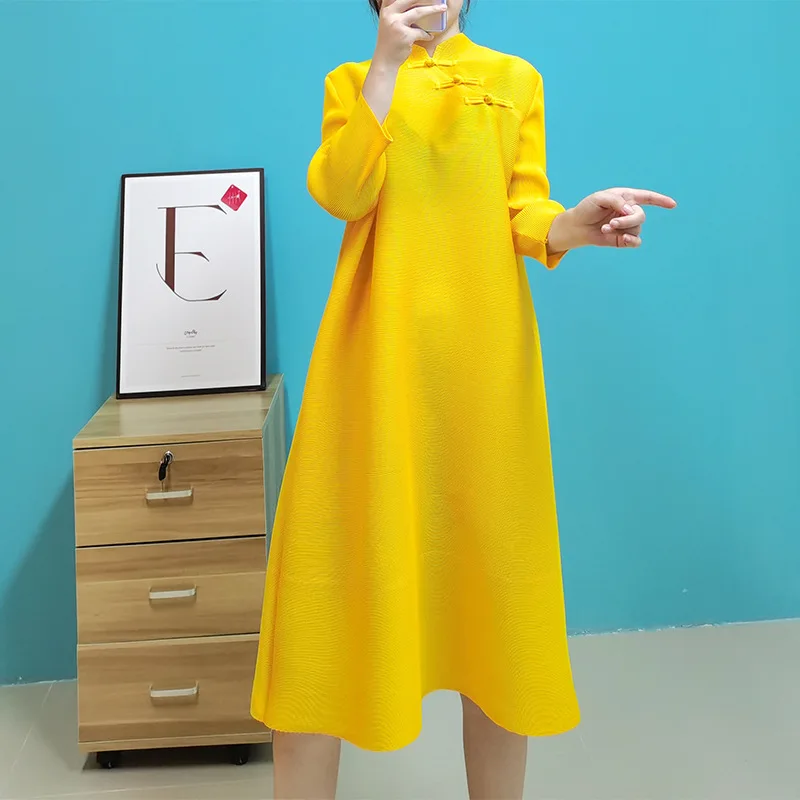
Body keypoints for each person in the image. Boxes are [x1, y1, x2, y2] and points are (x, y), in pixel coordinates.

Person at [251, 0, 676, 797]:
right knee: (325, 608)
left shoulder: (517, 79)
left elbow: (523, 211)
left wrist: (573, 226)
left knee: (494, 615)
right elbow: (342, 191)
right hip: (371, 370)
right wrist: (384, 69)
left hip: (485, 377)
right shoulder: (352, 81)